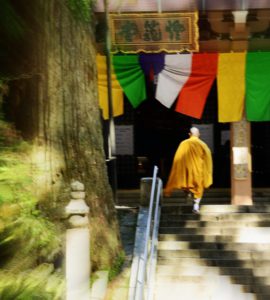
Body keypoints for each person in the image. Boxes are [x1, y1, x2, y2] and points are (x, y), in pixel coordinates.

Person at [164, 127, 213, 214]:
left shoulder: (183, 144)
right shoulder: (202, 144)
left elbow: (177, 158)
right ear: (199, 134)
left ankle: (188, 195)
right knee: (198, 187)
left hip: (186, 171)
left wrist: (179, 169)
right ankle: (196, 205)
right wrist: (207, 171)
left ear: (189, 134)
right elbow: (208, 158)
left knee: (187, 184)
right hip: (198, 171)